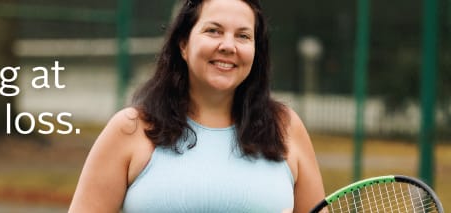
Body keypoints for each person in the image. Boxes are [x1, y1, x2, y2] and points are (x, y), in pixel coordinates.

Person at [69, 0, 325, 212]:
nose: (228, 45)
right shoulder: (130, 128)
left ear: (256, 51)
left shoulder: (286, 128)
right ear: (183, 44)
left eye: (243, 36)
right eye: (213, 31)